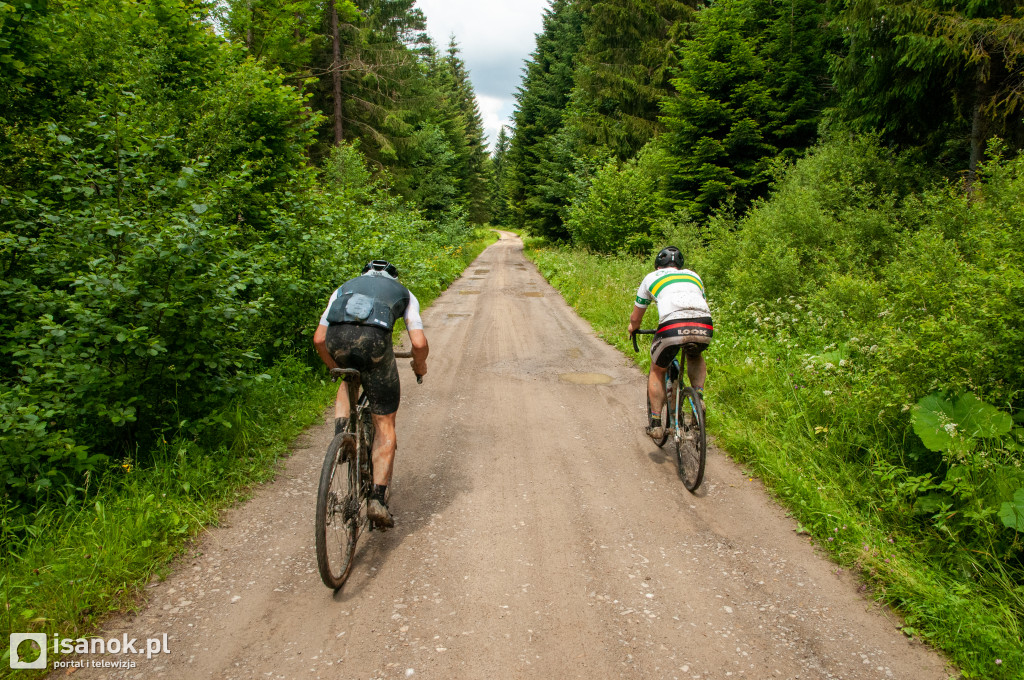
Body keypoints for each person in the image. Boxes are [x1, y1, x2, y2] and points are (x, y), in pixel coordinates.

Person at [313, 260, 428, 528]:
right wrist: (419, 366)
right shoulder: (405, 294)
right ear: (393, 278)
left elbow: (319, 339)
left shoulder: (344, 289)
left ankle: (342, 437)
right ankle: (376, 499)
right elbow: (419, 343)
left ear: (363, 275)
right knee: (384, 423)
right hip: (376, 344)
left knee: (347, 377)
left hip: (337, 340)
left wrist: (336, 368)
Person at [626, 246, 713, 440]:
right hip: (704, 324)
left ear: (658, 266)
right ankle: (698, 396)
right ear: (679, 265)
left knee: (658, 369)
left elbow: (636, 317)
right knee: (695, 355)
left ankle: (656, 424)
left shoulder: (651, 278)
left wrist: (633, 328)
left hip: (671, 326)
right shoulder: (693, 276)